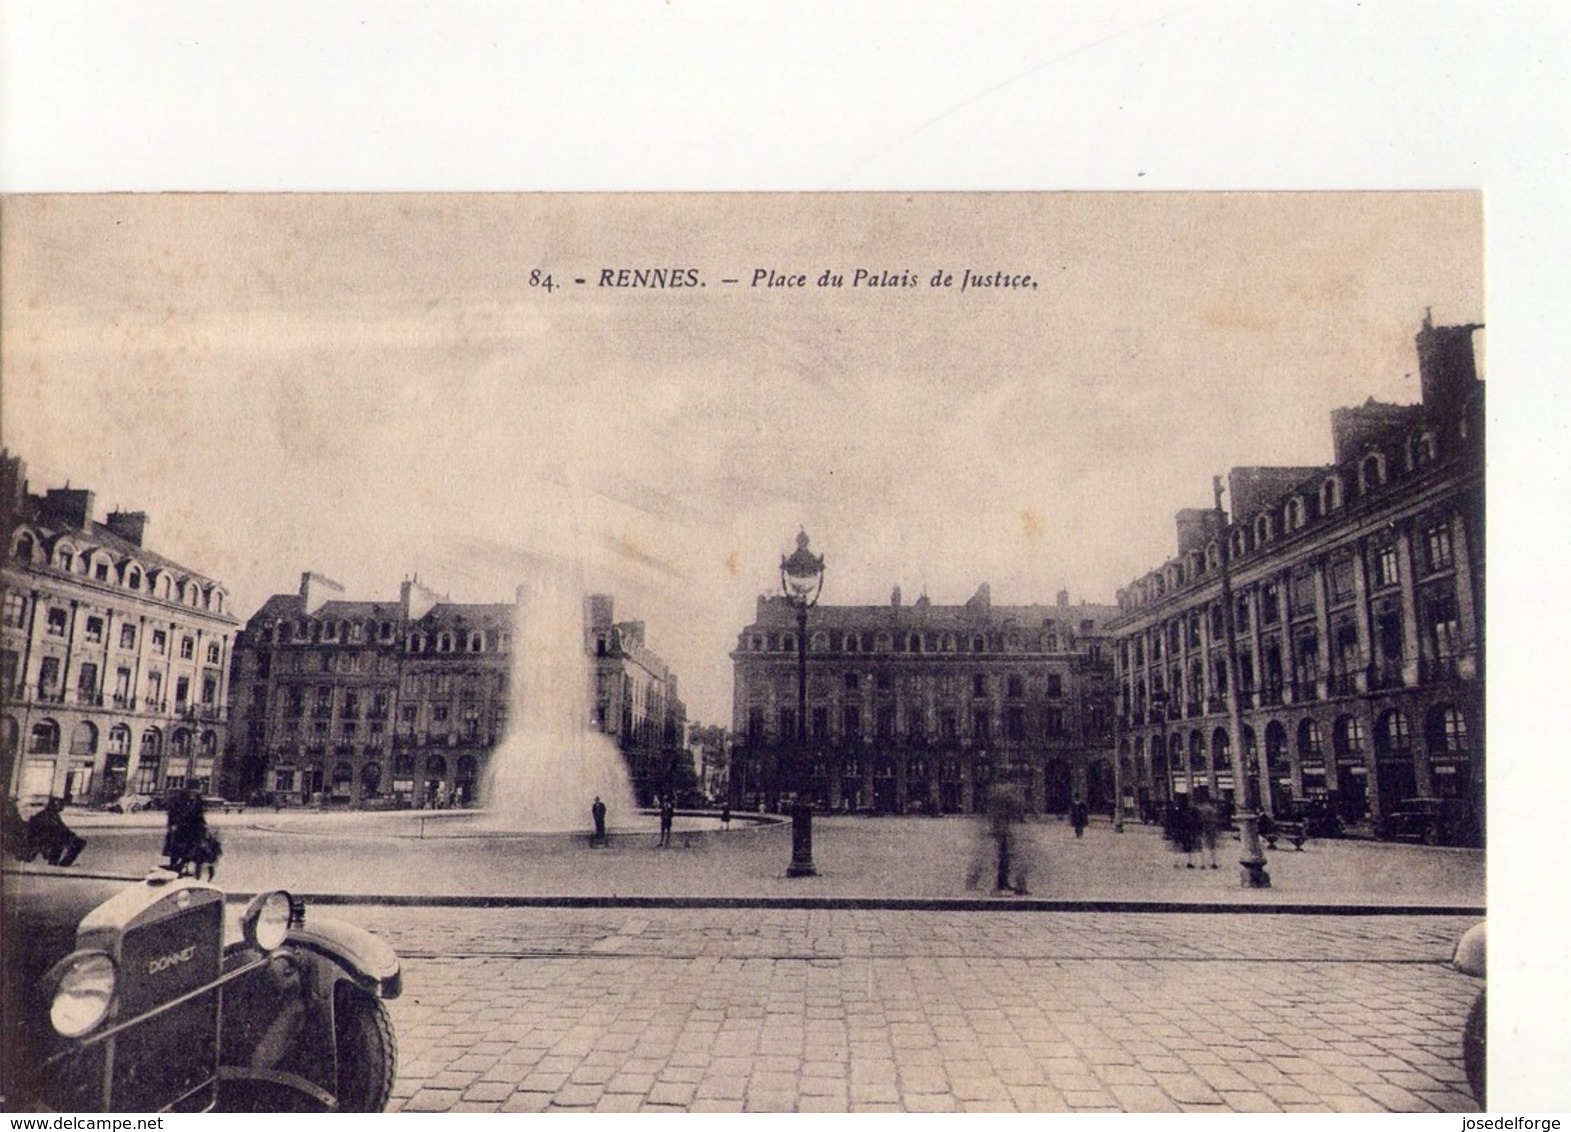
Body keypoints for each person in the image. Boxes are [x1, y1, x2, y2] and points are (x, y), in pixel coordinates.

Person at [27, 797, 87, 867]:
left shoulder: (50, 814)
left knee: (71, 843)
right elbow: (61, 830)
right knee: (64, 844)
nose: (63, 807)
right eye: (61, 804)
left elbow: (63, 830)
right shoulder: (49, 816)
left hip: (48, 839)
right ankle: (61, 865)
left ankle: (57, 864)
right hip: (43, 841)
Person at [1193, 788, 1221, 869]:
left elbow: (1195, 819)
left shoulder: (1198, 807)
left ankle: (1203, 863)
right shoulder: (1211, 808)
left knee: (1202, 846)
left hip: (1201, 828)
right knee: (1212, 846)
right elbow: (1216, 818)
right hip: (1211, 828)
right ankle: (1213, 862)